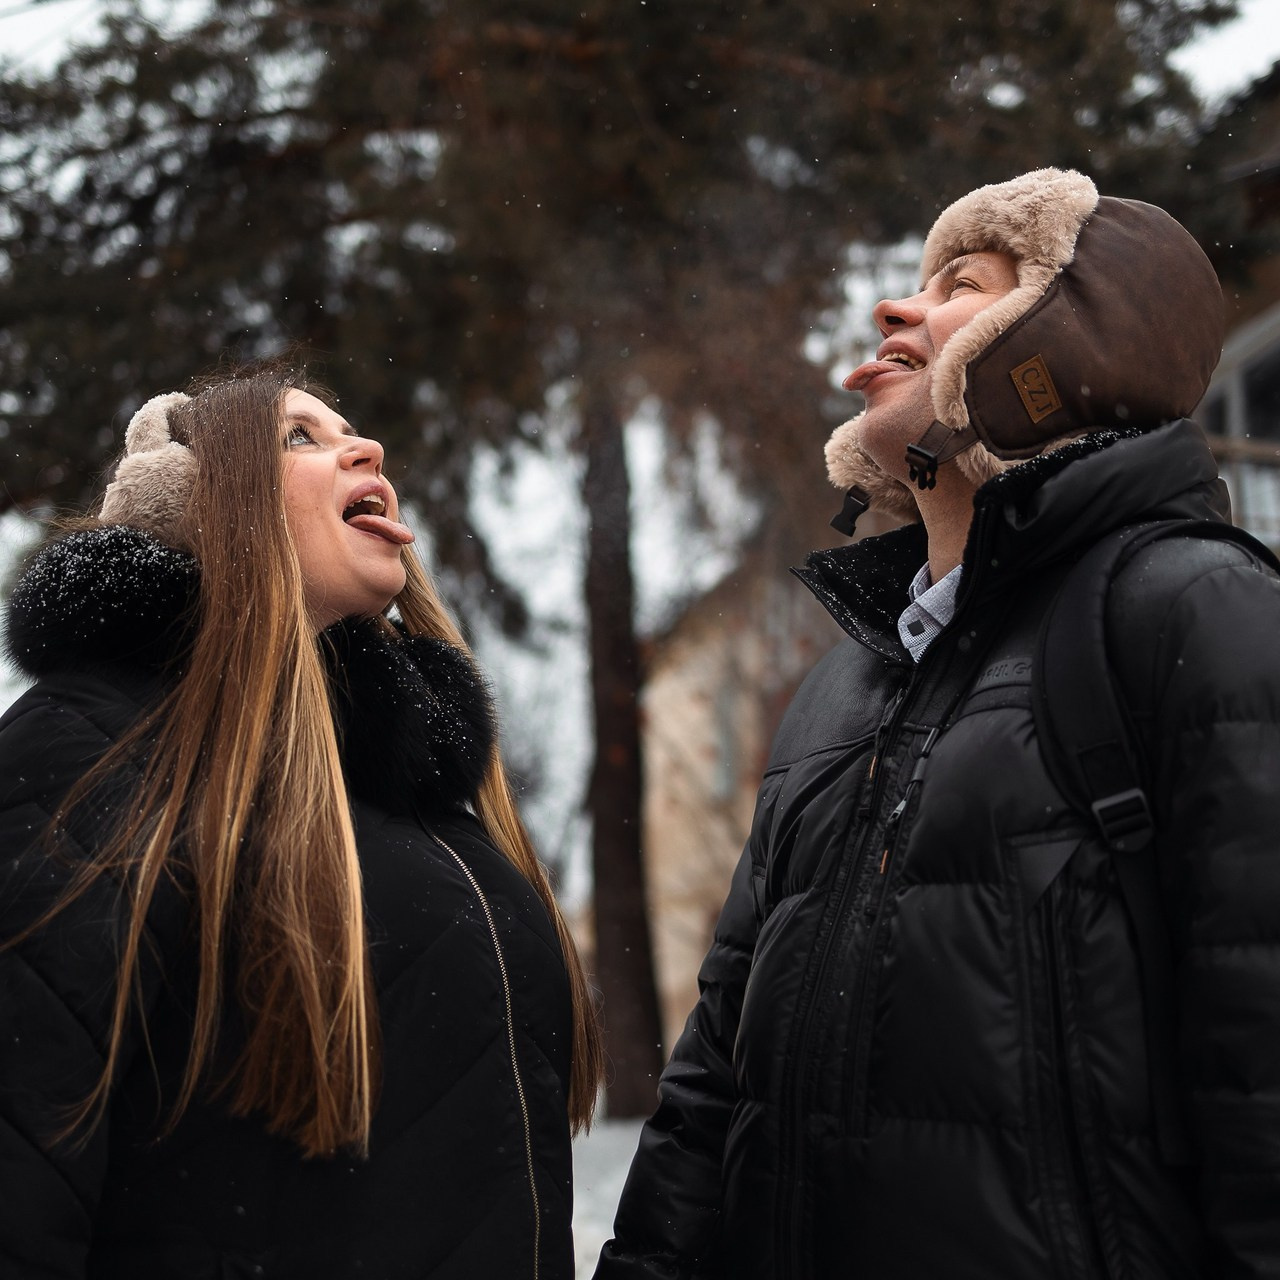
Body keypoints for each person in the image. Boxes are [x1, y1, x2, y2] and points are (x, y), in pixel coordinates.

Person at [594, 168, 1280, 1278]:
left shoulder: (1192, 606)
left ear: (1068, 337)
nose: (892, 309)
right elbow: (712, 1077)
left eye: (960, 284)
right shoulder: (838, 688)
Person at [0, 357, 602, 1279]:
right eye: (298, 437)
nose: (368, 449)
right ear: (205, 508)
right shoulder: (92, 747)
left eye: (351, 432)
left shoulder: (419, 795)